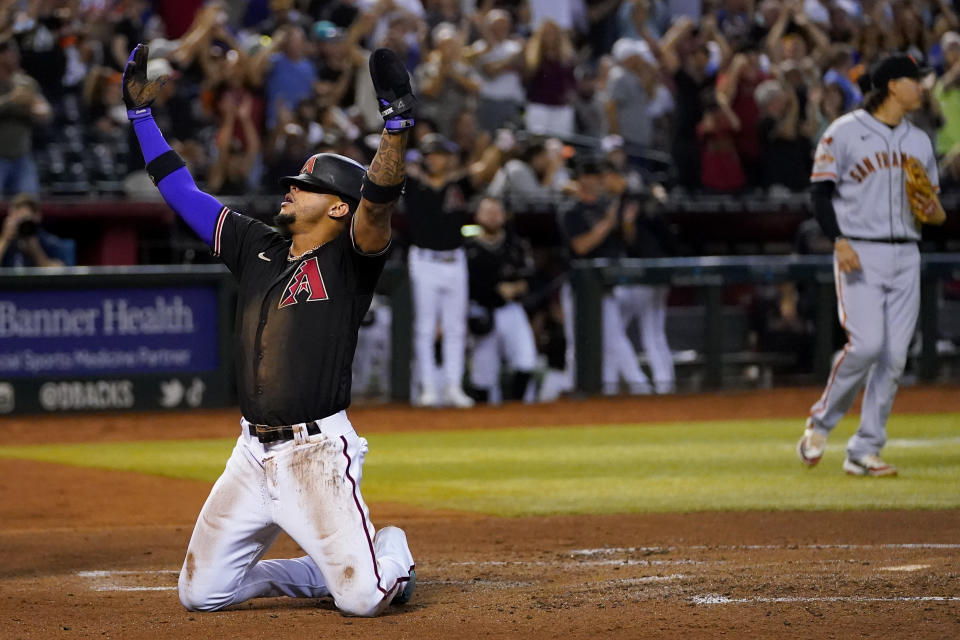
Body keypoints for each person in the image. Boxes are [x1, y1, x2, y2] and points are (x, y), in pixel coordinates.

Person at [122, 43, 416, 615]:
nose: (292, 188)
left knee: (365, 598)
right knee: (200, 595)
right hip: (250, 455)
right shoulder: (256, 245)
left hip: (316, 452)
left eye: (305, 186)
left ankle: (389, 552)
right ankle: (314, 571)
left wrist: (396, 128)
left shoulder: (353, 255)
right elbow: (181, 191)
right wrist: (141, 119)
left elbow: (378, 204)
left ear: (337, 209)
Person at [796, 54, 947, 477]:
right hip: (859, 249)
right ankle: (821, 422)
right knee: (866, 346)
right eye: (915, 81)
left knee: (895, 356)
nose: (922, 87)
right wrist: (838, 240)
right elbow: (820, 194)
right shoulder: (845, 131)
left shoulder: (919, 139)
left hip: (907, 252)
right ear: (893, 85)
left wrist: (932, 209)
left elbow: (934, 213)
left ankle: (864, 449)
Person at [402, 132, 499, 408]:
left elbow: (484, 171)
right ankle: (428, 387)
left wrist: (497, 147)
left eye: (440, 154)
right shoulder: (413, 184)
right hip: (424, 260)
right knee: (424, 327)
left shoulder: (458, 185)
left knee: (456, 328)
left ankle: (453, 386)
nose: (436, 159)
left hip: (454, 260)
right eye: (431, 154)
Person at [559, 156, 651, 396]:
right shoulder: (571, 210)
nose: (599, 180)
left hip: (607, 285)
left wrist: (627, 223)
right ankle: (575, 386)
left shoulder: (605, 206)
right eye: (593, 175)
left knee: (613, 340)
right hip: (581, 286)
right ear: (580, 179)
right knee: (577, 342)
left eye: (600, 175)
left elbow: (627, 243)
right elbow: (581, 246)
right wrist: (609, 222)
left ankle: (630, 387)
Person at [465, 196, 538, 404]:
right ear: (478, 215)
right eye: (488, 212)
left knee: (526, 360)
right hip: (482, 311)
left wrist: (515, 287)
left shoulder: (515, 244)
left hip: (510, 310)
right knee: (483, 374)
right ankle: (484, 421)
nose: (492, 216)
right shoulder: (468, 248)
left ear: (504, 216)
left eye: (496, 212)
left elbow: (532, 279)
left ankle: (517, 410)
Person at [0, 39, 52, 196]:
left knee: (29, 205)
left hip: (22, 156)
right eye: (11, 53)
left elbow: (45, 112)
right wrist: (11, 101)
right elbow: (15, 100)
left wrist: (29, 109)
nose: (17, 57)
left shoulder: (26, 83)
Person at [0, 192, 74, 267]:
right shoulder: (6, 240)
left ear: (38, 217)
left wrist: (35, 249)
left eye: (26, 218)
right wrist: (4, 239)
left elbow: (60, 272)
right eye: (18, 216)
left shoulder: (48, 241)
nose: (23, 223)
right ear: (10, 216)